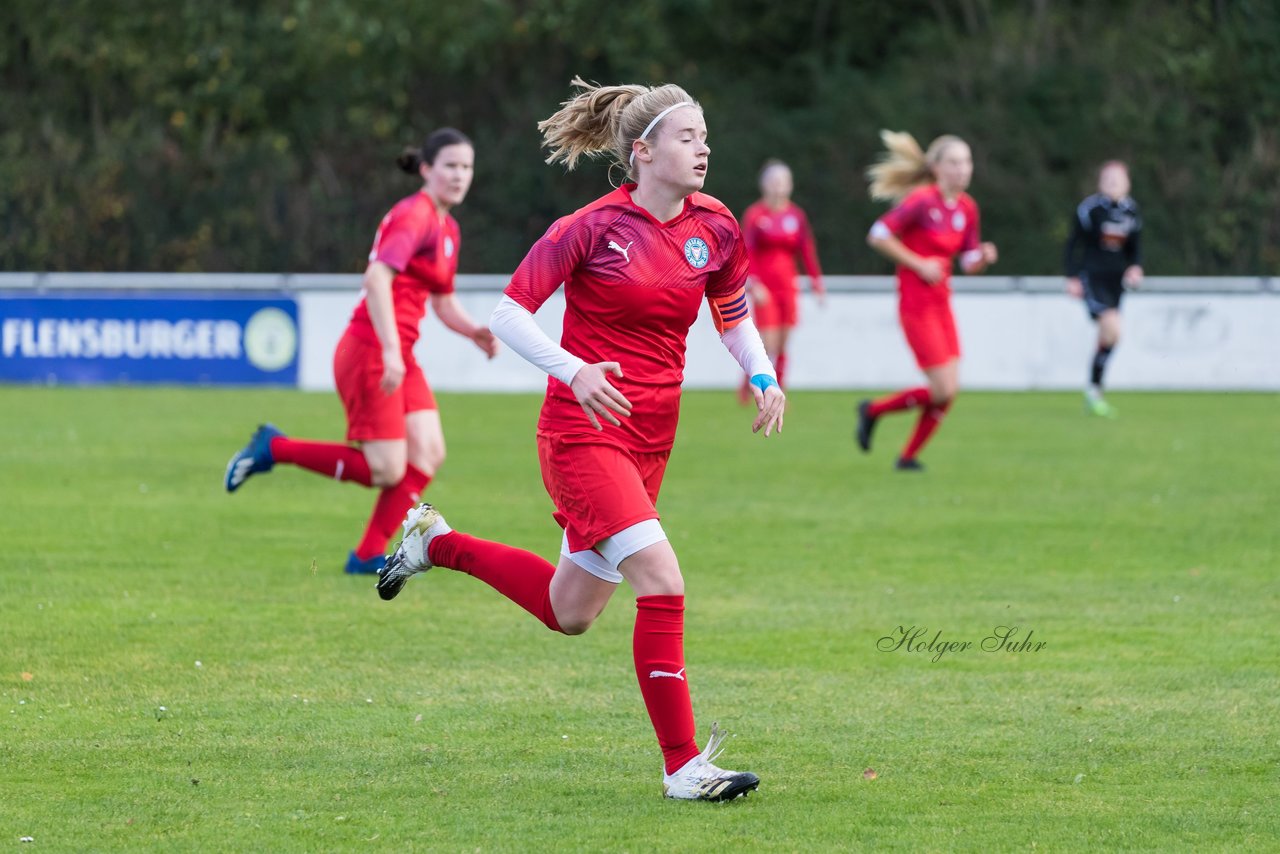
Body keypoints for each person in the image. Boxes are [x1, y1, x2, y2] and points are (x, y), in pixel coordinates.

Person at [376, 77, 785, 801]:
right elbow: (509, 313)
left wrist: (761, 374)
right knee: (663, 581)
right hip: (581, 434)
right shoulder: (589, 228)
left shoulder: (716, 224)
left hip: (653, 439)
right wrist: (576, 372)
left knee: (571, 612)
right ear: (643, 150)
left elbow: (733, 313)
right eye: (688, 137)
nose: (704, 149)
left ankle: (433, 542)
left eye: (705, 137)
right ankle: (684, 767)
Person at [223, 128, 498, 574]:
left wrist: (472, 331)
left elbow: (442, 300)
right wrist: (391, 349)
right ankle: (275, 448)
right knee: (386, 470)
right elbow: (376, 279)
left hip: (397, 353)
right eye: (450, 165)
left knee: (427, 452)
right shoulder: (414, 216)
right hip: (371, 349)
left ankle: (368, 554)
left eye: (466, 167)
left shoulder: (448, 228)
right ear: (426, 169)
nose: (459, 175)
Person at [855, 130, 998, 471]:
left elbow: (968, 263)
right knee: (943, 388)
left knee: (948, 391)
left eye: (966, 162)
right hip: (916, 305)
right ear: (936, 167)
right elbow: (878, 234)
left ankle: (906, 455)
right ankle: (874, 411)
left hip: (942, 304)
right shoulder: (922, 201)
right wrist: (918, 263)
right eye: (954, 162)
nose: (962, 169)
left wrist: (984, 259)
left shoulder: (967, 208)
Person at [738, 159, 824, 398]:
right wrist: (753, 282)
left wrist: (816, 281)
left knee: (784, 342)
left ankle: (779, 389)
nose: (779, 187)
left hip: (788, 285)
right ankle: (751, 381)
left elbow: (806, 250)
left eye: (783, 182)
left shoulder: (796, 215)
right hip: (765, 286)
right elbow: (747, 251)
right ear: (764, 185)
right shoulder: (755, 214)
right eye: (774, 182)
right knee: (768, 342)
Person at [1064, 160, 1143, 417]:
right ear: (1100, 182)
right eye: (1108, 179)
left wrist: (1135, 267)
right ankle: (1094, 392)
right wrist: (1072, 277)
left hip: (1115, 281)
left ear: (1127, 183)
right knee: (1112, 328)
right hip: (1092, 277)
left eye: (1118, 179)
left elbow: (1135, 248)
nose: (1113, 183)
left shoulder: (1131, 211)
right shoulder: (1090, 209)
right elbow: (1072, 244)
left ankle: (1093, 392)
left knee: (1110, 337)